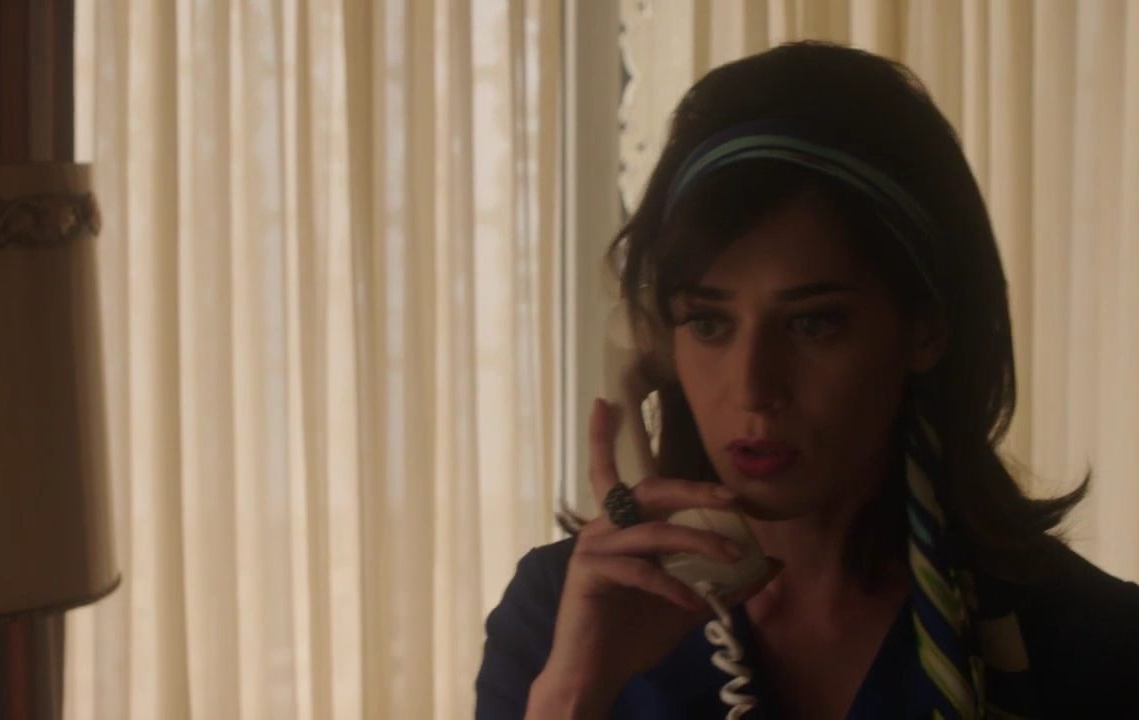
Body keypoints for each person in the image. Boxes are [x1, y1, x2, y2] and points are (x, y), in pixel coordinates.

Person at [474, 41, 1139, 719]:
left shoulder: (1096, 645)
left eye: (812, 324)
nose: (754, 388)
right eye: (708, 322)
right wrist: (574, 691)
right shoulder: (563, 616)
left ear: (925, 328)